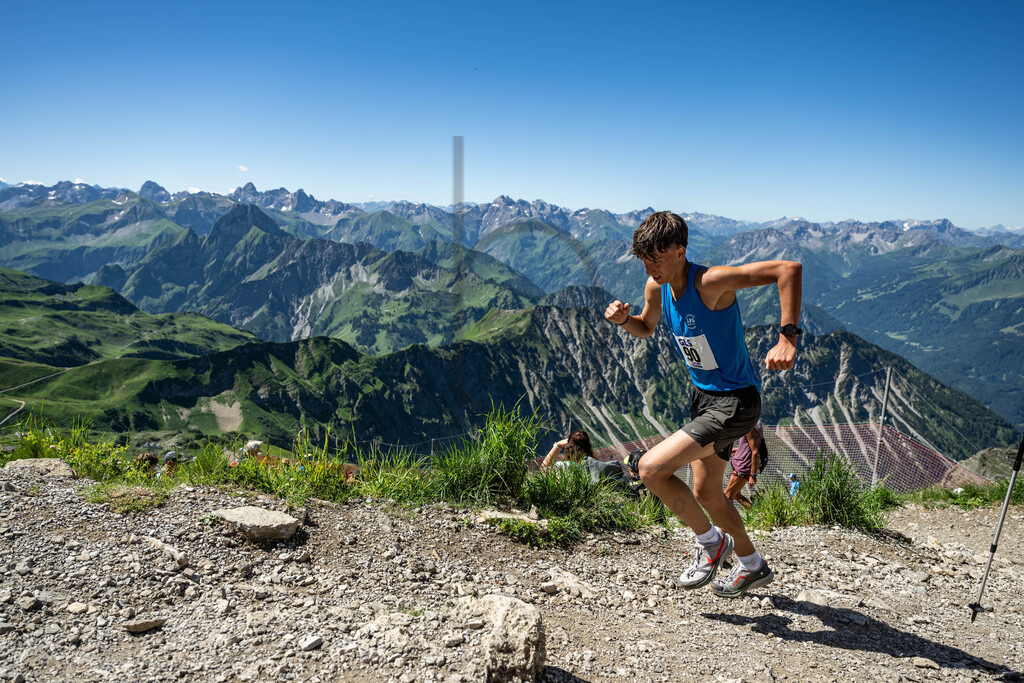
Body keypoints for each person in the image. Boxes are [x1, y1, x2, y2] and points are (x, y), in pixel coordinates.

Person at [604, 211, 802, 598]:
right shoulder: (655, 287)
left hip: (736, 403)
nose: (649, 267)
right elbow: (646, 328)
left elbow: (788, 269)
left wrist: (788, 338)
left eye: (656, 258)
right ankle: (752, 565)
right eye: (644, 259)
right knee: (708, 494)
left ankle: (712, 544)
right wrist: (624, 321)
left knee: (650, 469)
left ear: (680, 252)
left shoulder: (710, 282)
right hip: (704, 399)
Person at [725, 422, 764, 509]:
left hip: (743, 467)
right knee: (736, 495)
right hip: (743, 465)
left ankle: (729, 522)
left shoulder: (749, 427)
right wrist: (740, 450)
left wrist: (753, 475)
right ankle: (758, 516)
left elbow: (755, 452)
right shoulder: (757, 424)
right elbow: (753, 445)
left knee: (727, 496)